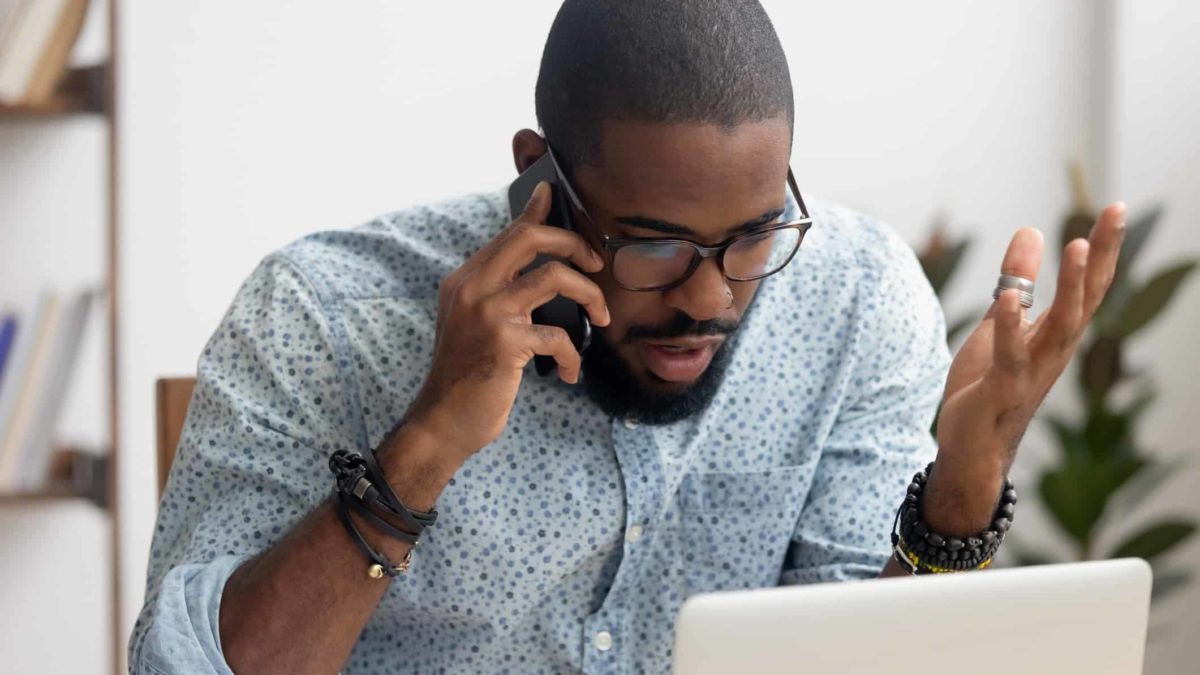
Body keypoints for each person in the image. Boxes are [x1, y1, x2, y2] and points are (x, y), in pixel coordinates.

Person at [129, 1, 1126, 673]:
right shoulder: (322, 318)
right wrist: (427, 441)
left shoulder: (855, 298)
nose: (712, 298)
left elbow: (860, 655)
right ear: (540, 180)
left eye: (751, 236)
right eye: (654, 246)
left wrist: (960, 489)